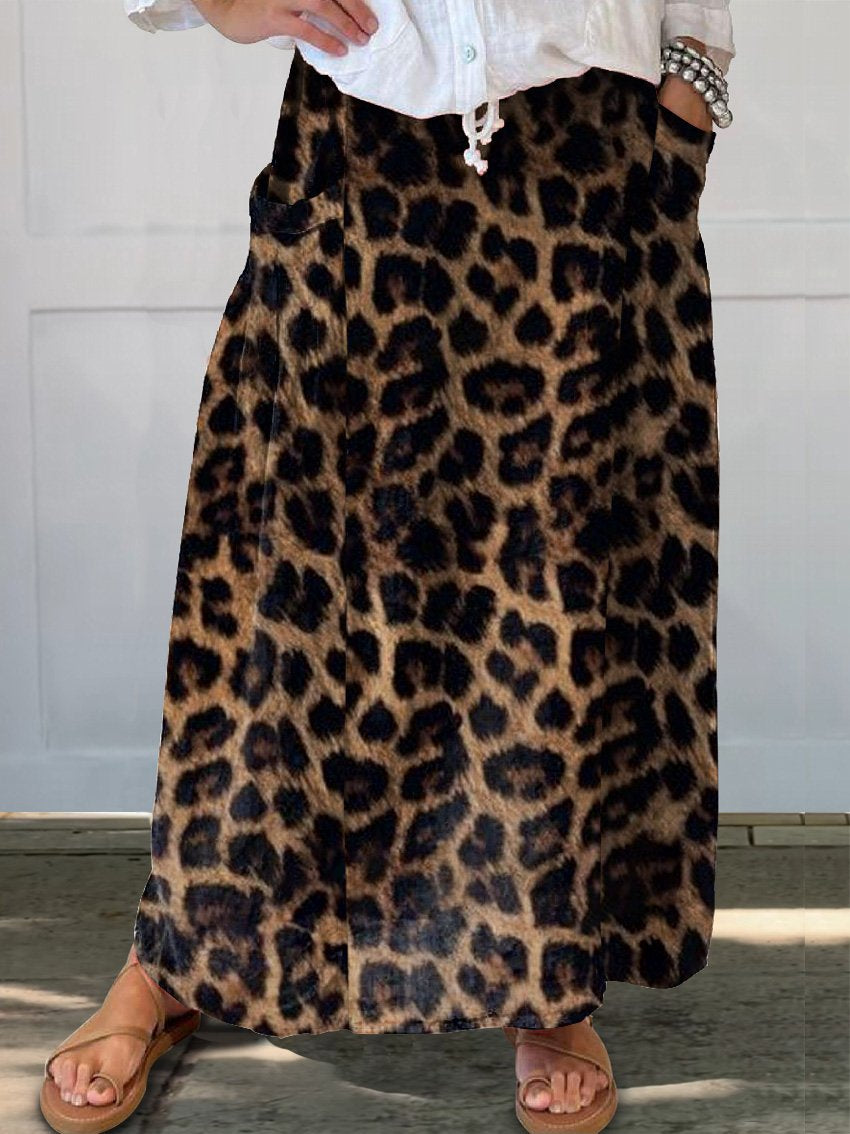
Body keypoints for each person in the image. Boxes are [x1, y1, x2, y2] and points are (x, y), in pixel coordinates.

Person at [39, 3, 735, 1133]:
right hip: (355, 146)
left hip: (592, 159)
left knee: (550, 589)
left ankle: (543, 973)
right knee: (277, 587)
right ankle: (176, 954)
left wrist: (695, 82)